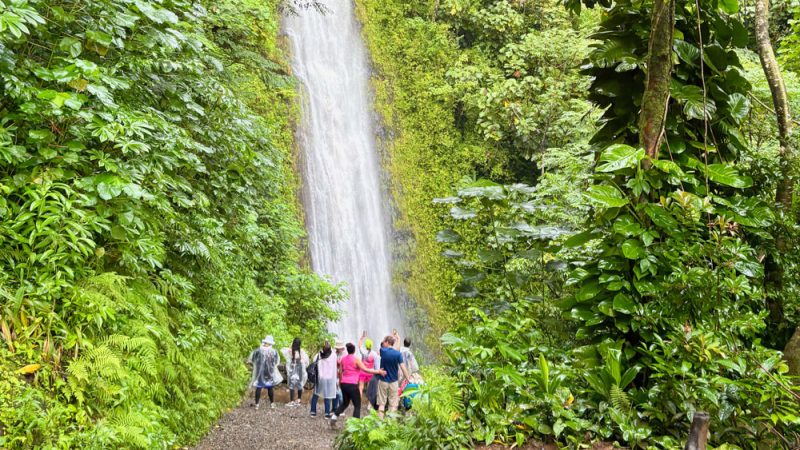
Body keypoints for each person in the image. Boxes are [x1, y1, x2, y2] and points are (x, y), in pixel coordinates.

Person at [329, 343, 385, 425]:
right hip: (352, 384)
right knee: (357, 405)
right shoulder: (356, 359)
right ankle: (355, 424)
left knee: (345, 403)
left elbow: (340, 372)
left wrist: (340, 383)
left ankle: (334, 417)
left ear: (347, 350)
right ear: (354, 350)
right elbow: (366, 369)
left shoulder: (343, 359)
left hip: (344, 383)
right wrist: (378, 371)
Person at [376, 335, 410, 419]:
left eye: (385, 341)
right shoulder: (398, 354)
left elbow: (381, 345)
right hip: (394, 382)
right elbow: (403, 367)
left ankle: (380, 421)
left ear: (387, 342)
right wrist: (408, 378)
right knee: (393, 405)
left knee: (381, 404)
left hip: (383, 381)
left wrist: (386, 339)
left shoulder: (382, 351)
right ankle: (391, 423)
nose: (384, 343)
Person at [247, 335, 282, 410]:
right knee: (270, 388)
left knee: (258, 387)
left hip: (259, 372)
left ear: (265, 342)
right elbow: (277, 362)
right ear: (271, 343)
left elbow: (252, 359)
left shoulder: (258, 350)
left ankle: (257, 405)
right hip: (270, 372)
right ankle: (272, 404)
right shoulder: (274, 351)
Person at [310, 341, 338, 418]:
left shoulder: (319, 355)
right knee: (327, 395)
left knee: (316, 394)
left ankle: (313, 412)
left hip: (320, 378)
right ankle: (327, 413)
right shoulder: (333, 355)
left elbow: (314, 361)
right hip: (330, 378)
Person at [281, 337, 309, 406]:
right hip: (300, 370)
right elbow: (306, 362)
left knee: (292, 386)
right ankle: (299, 400)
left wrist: (290, 346)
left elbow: (282, 350)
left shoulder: (290, 351)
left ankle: (292, 401)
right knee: (299, 384)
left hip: (292, 369)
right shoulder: (301, 351)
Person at [357, 331, 380, 398]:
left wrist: (362, 337)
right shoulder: (374, 354)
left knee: (360, 387)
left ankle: (359, 400)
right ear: (371, 345)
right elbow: (376, 363)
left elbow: (359, 345)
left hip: (362, 371)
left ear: (366, 345)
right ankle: (369, 402)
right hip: (371, 372)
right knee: (370, 388)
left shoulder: (363, 351)